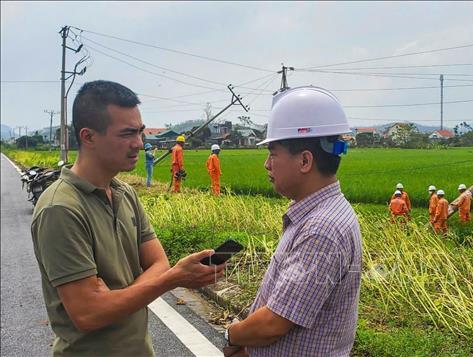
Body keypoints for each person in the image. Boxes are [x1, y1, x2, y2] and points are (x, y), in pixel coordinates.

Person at [30, 80, 221, 356]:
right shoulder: (60, 209)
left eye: (140, 132)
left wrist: (113, 296)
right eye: (127, 134)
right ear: (88, 137)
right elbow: (89, 314)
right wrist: (168, 280)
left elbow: (159, 262)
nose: (139, 143)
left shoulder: (125, 193)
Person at [223, 86, 362, 357]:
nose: (267, 164)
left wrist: (231, 334)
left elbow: (274, 323)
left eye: (273, 153)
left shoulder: (322, 229)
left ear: (305, 160)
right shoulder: (316, 214)